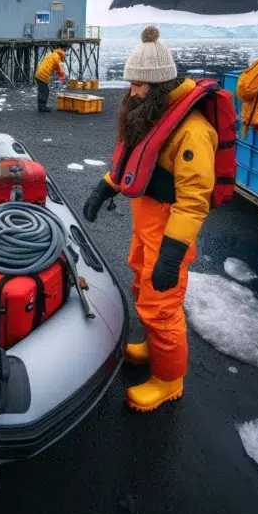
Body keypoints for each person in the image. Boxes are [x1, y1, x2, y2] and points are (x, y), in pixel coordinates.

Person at [81, 25, 216, 412]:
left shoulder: (191, 130)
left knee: (163, 306)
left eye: (139, 84)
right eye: (131, 83)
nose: (132, 92)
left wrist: (173, 254)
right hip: (147, 227)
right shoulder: (154, 114)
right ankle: (152, 348)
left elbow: (194, 201)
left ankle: (168, 380)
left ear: (159, 84)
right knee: (142, 286)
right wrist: (104, 187)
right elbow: (134, 163)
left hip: (170, 232)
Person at [34, 46, 67, 112]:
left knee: (43, 90)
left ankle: (41, 106)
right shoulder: (57, 58)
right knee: (45, 91)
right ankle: (42, 107)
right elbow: (59, 70)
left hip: (39, 73)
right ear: (62, 56)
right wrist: (63, 79)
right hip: (43, 75)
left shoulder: (53, 55)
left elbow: (57, 69)